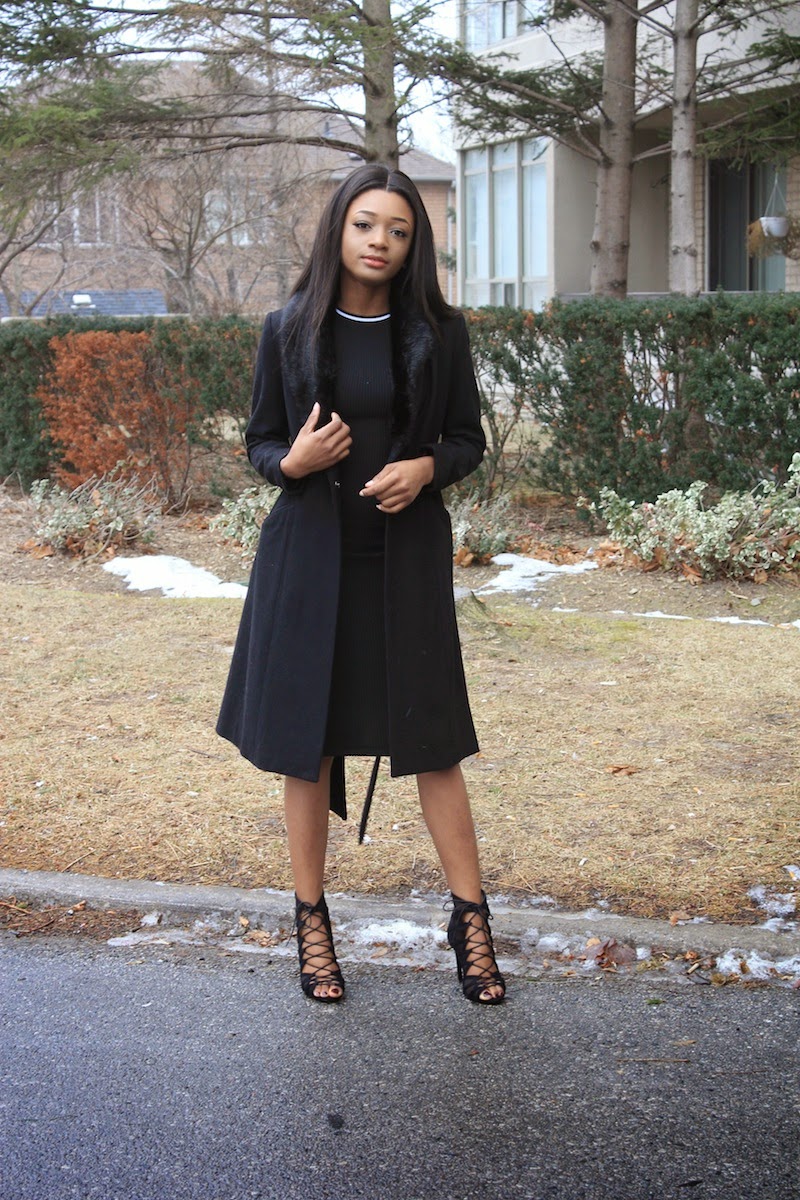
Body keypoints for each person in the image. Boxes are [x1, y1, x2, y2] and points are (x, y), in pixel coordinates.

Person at [217, 163, 505, 1006]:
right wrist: (294, 462)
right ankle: (312, 924)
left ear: (414, 245)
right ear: (339, 230)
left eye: (398, 230)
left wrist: (425, 467)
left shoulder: (438, 332)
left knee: (434, 742)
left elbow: (467, 439)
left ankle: (471, 923)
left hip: (403, 564)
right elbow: (261, 442)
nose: (381, 241)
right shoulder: (288, 328)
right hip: (310, 566)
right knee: (308, 744)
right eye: (366, 224)